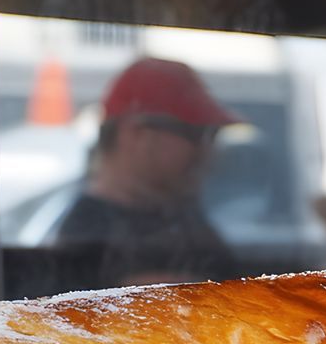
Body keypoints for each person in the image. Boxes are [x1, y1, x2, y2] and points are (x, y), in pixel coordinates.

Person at [53, 57, 240, 286]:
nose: (207, 152)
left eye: (212, 136)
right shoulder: (86, 239)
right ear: (136, 133)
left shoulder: (181, 216)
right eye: (195, 134)